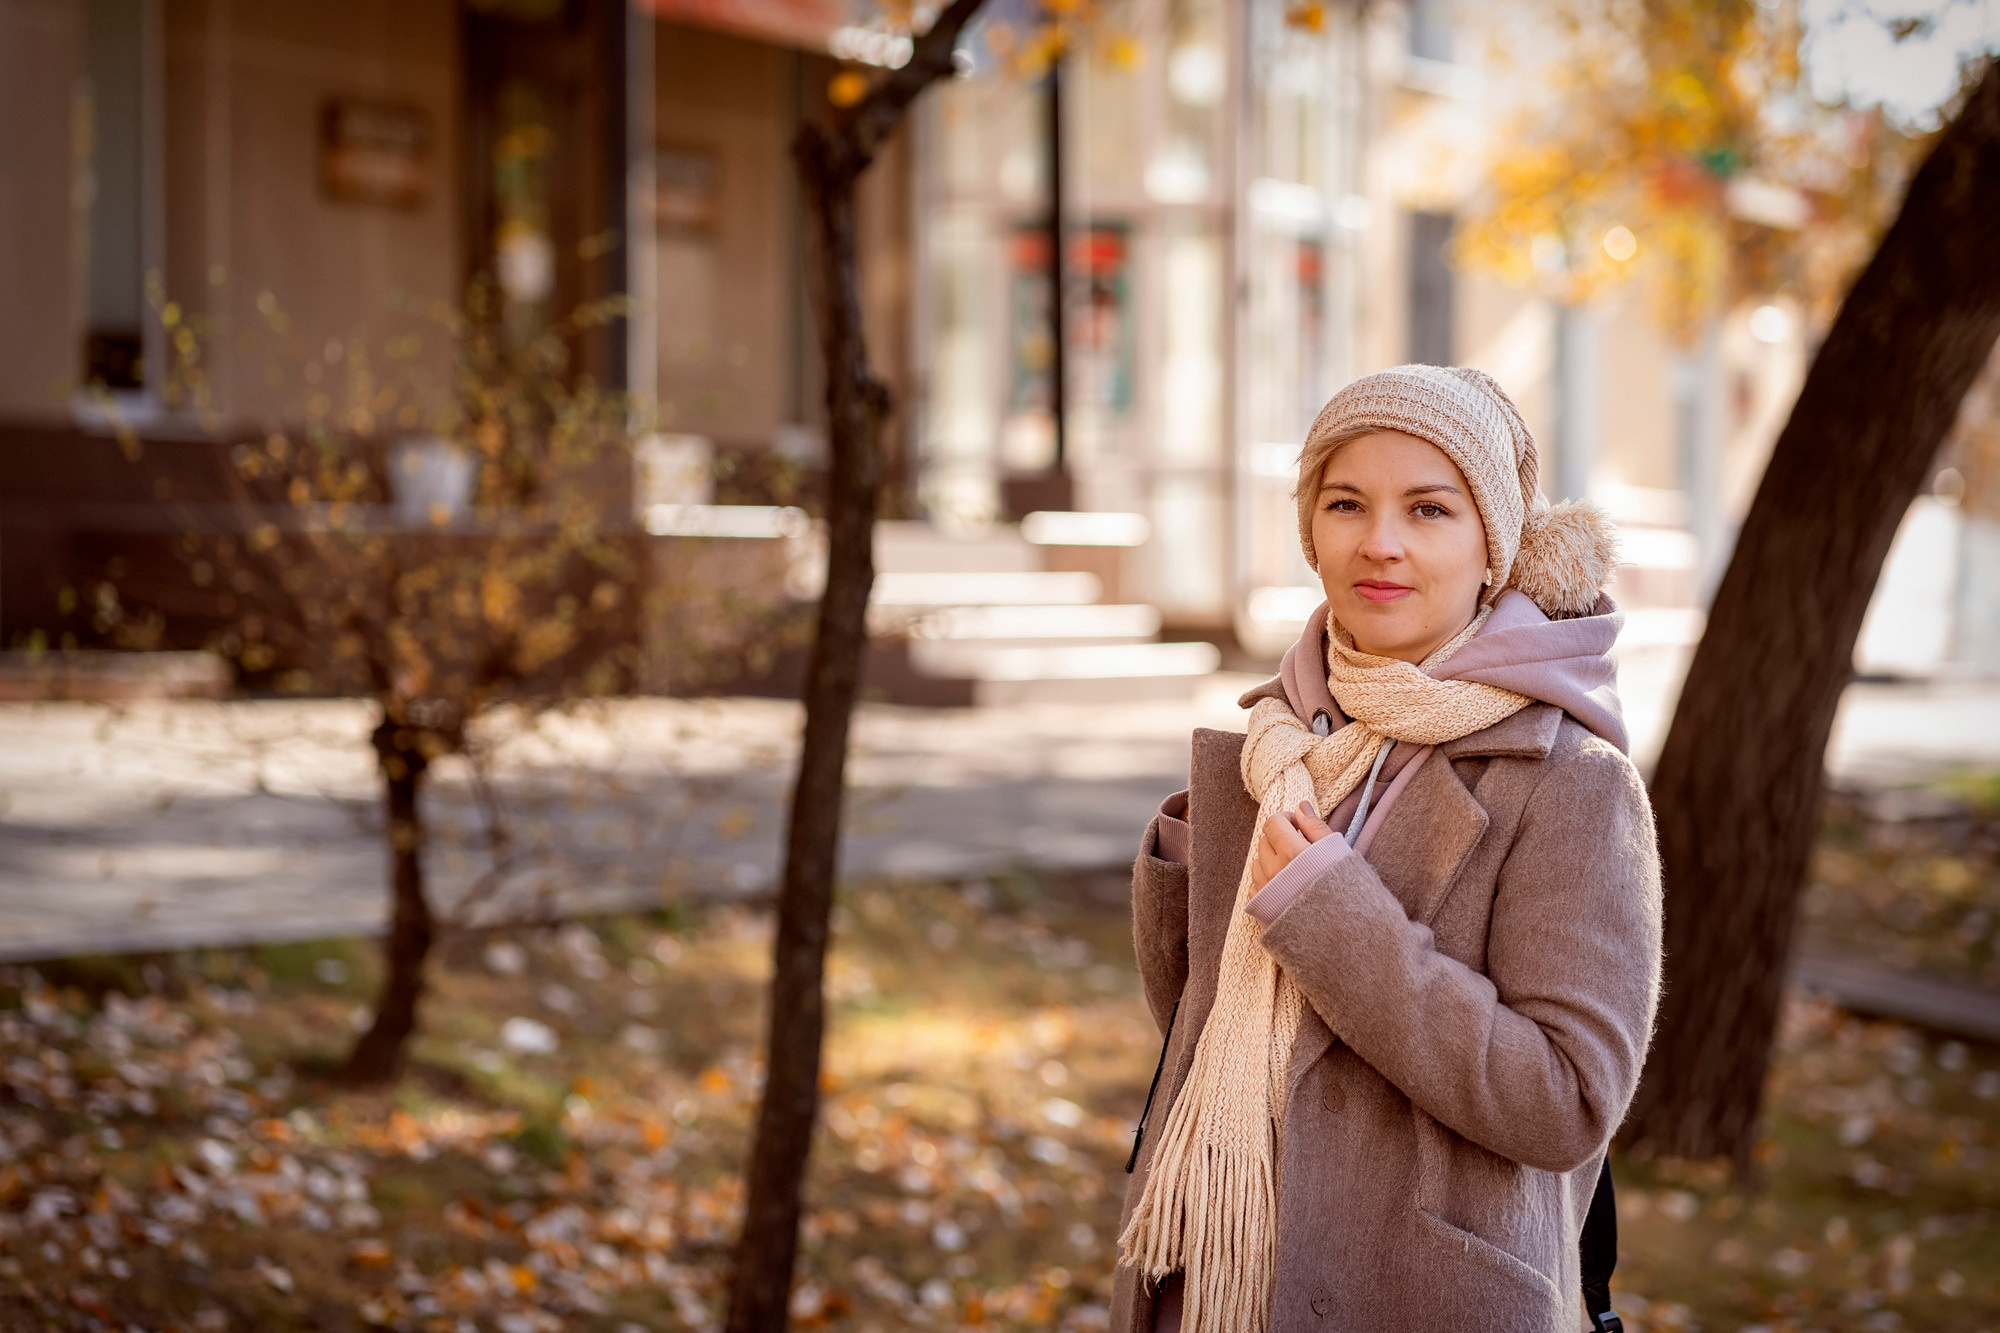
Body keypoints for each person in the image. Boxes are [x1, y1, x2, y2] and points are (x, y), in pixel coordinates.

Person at [1109, 365, 1663, 1333]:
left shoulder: (1570, 778)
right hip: (1206, 1287)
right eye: (1345, 503)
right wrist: (1186, 865)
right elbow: (1202, 1037)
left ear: (1491, 545)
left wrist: (1336, 919)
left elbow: (1564, 1101)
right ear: (1308, 531)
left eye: (1428, 509)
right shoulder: (1283, 747)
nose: (1380, 543)